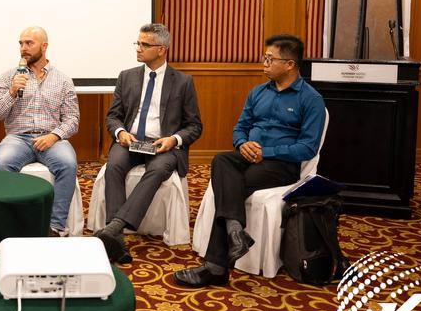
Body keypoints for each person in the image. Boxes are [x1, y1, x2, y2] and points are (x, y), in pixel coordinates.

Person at [174, 34, 326, 287]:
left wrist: (267, 152)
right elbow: (240, 127)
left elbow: (308, 148)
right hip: (247, 157)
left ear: (290, 64)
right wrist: (242, 144)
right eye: (264, 58)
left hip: (281, 166)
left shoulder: (311, 100)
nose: (264, 63)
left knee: (231, 184)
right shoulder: (257, 92)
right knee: (222, 161)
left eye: (270, 59)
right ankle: (235, 229)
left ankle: (216, 266)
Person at [94, 23, 202, 262]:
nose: (139, 48)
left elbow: (195, 126)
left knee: (157, 170)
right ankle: (117, 237)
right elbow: (113, 115)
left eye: (145, 44)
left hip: (162, 146)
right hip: (130, 141)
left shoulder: (183, 82)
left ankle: (115, 226)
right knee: (113, 166)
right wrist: (120, 132)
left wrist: (174, 140)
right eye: (138, 43)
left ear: (162, 49)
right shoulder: (127, 76)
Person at [0, 26, 80, 236]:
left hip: (51, 137)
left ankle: (55, 227)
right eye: (21, 43)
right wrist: (12, 91)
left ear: (44, 46)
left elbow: (73, 119)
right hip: (17, 137)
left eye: (29, 43)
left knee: (68, 164)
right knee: (3, 163)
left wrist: (54, 136)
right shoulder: (9, 77)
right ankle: (16, 224)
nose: (23, 48)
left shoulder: (63, 80)